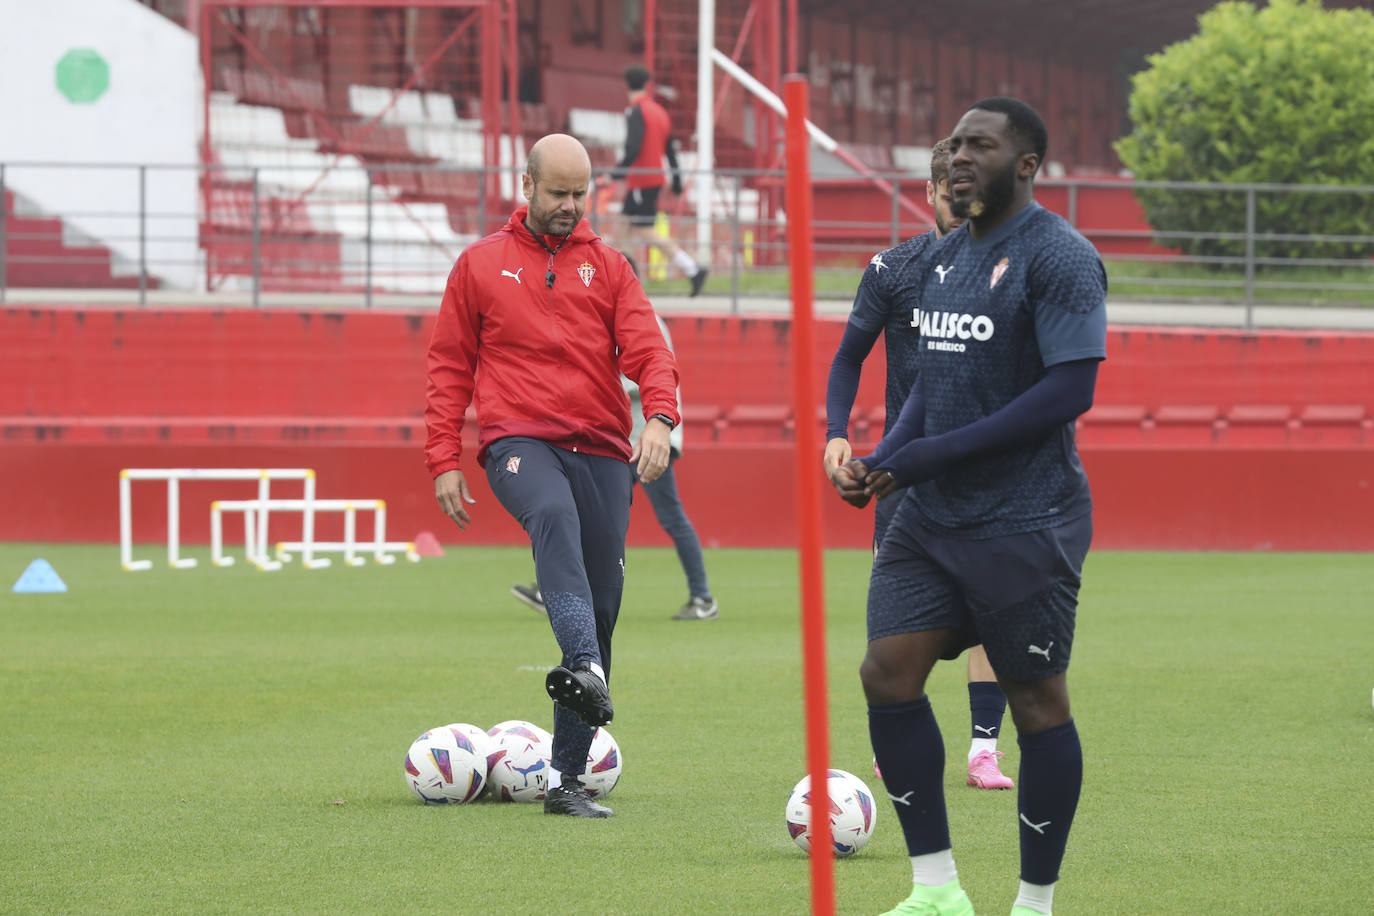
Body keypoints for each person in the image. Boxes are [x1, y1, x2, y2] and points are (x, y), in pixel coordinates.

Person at [830, 98, 1107, 916]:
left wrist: (926, 456)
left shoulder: (1060, 257)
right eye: (955, 145)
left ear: (1026, 165)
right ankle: (936, 888)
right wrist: (886, 463)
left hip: (1026, 519)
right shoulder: (945, 260)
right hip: (929, 521)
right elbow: (932, 387)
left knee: (1035, 703)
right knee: (887, 673)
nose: (959, 158)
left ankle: (1034, 902)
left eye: (980, 147)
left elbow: (1069, 391)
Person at [425, 133, 681, 819]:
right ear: (527, 185)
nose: (571, 206)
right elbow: (449, 367)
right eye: (559, 193)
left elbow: (650, 351)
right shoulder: (479, 265)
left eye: (580, 194)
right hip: (519, 442)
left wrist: (659, 417)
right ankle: (587, 668)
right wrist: (444, 459)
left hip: (601, 449)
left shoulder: (612, 267)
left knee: (603, 606)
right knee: (554, 516)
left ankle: (564, 783)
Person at [824, 138, 1015, 792]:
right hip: (904, 474)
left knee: (995, 610)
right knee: (904, 619)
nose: (964, 215)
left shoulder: (1010, 271)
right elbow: (849, 356)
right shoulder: (893, 271)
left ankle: (983, 750)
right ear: (931, 194)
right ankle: (899, 735)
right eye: (953, 200)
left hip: (985, 472)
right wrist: (835, 433)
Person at [512, 312, 718, 621]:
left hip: (644, 439)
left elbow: (649, 373)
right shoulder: (638, 318)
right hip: (640, 439)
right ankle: (701, 597)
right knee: (652, 515)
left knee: (596, 512)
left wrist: (590, 384)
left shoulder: (645, 321)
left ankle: (701, 597)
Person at [598, 63, 708, 297]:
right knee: (625, 228)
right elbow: (671, 152)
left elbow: (632, 148)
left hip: (642, 182)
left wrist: (613, 175)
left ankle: (692, 270)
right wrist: (677, 182)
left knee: (645, 231)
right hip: (651, 181)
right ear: (647, 85)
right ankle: (628, 281)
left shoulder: (636, 111)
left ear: (627, 85)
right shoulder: (660, 113)